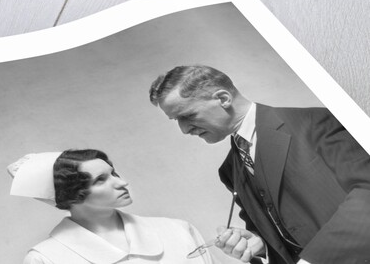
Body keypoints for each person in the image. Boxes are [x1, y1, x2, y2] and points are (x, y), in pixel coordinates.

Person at [149, 65, 370, 264]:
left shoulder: (315, 122)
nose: (184, 129)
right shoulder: (229, 170)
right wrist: (261, 247)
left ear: (223, 98)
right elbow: (279, 240)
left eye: (187, 115)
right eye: (176, 121)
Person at [8, 149, 214, 264]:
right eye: (101, 179)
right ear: (72, 194)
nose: (122, 182)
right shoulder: (46, 258)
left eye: (113, 173)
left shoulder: (177, 229)